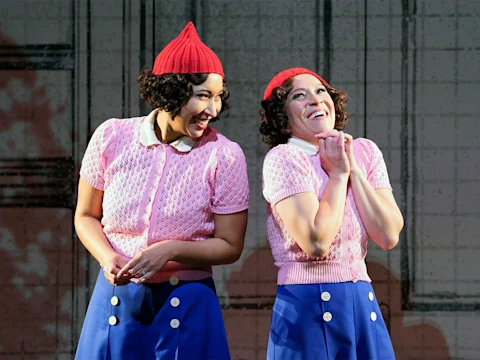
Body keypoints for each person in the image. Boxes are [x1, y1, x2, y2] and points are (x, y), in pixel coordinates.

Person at [74, 22, 249, 360]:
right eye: (203, 96)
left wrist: (169, 250)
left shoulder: (224, 155)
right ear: (172, 91)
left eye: (218, 97)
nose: (213, 110)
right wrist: (106, 256)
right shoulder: (112, 136)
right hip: (116, 299)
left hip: (187, 301)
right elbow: (85, 215)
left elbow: (230, 246)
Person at [259, 67, 404, 359]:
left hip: (361, 301)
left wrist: (352, 170)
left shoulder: (364, 151)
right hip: (309, 305)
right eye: (299, 96)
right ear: (282, 118)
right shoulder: (285, 158)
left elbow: (388, 235)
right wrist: (337, 177)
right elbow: (316, 242)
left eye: (321, 91)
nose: (315, 100)